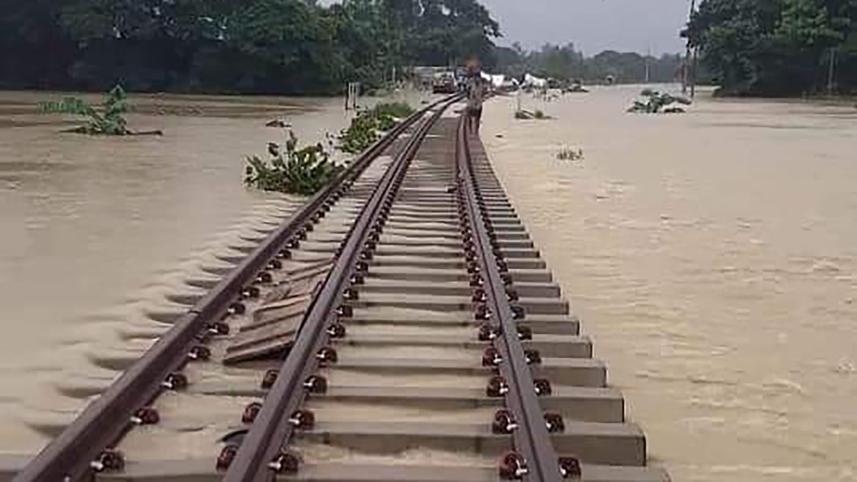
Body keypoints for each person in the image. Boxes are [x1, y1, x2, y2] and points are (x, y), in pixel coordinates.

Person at [466, 69, 487, 133]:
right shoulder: (470, 83)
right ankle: (470, 130)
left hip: (478, 102)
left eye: (478, 77)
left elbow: (484, 92)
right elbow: (467, 92)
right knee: (470, 117)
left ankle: (476, 131)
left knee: (477, 118)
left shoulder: (482, 84)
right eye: (476, 77)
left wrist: (482, 97)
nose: (477, 78)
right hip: (471, 102)